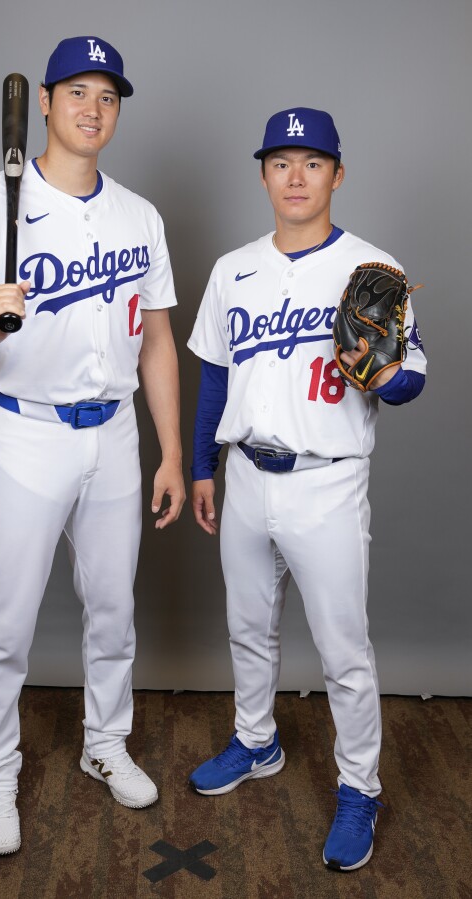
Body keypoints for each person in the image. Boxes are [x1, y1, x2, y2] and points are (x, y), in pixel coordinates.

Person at [0, 35, 185, 856]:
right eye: (76, 91)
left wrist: (171, 453)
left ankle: (103, 743)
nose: (92, 108)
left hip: (111, 434)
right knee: (3, 622)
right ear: (42, 101)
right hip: (25, 431)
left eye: (107, 96)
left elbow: (156, 343)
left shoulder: (139, 215)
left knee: (113, 609)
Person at [187, 107, 426, 871]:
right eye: (281, 162)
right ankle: (256, 741)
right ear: (262, 174)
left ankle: (359, 787)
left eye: (312, 163)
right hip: (247, 475)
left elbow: (411, 381)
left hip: (327, 482)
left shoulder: (373, 267)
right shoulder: (232, 268)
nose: (296, 176)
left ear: (337, 174)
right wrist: (199, 466)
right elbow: (213, 378)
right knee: (246, 628)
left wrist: (382, 368)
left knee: (343, 651)